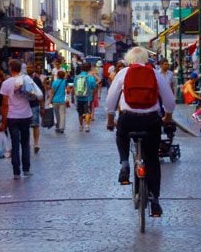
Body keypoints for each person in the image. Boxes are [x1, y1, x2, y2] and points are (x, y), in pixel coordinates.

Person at [105, 46, 175, 217]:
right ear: (146, 59)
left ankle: (124, 163)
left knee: (121, 134)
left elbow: (111, 99)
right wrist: (167, 116)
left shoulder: (123, 73)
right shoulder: (154, 73)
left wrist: (109, 119)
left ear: (129, 60)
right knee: (152, 159)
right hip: (150, 120)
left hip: (128, 118)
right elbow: (169, 100)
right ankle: (155, 201)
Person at [0, 59, 33, 180]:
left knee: (15, 144)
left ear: (11, 68)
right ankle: (26, 169)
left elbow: (4, 104)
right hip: (26, 115)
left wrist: (3, 122)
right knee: (25, 143)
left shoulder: (6, 83)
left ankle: (16, 172)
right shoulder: (26, 80)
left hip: (12, 117)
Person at [73, 62, 98, 132]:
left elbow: (74, 87)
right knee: (87, 112)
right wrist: (93, 96)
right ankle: (87, 125)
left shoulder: (77, 77)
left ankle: (81, 126)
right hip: (87, 97)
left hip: (78, 97)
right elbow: (94, 88)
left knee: (80, 112)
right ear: (89, 68)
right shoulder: (90, 78)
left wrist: (72, 97)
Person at [27, 65, 45, 153]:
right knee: (26, 126)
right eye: (28, 67)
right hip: (25, 106)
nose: (29, 69)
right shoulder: (23, 79)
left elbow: (41, 93)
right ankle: (27, 143)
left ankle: (36, 143)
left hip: (34, 105)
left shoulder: (37, 79)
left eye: (31, 67)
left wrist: (42, 106)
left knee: (35, 125)